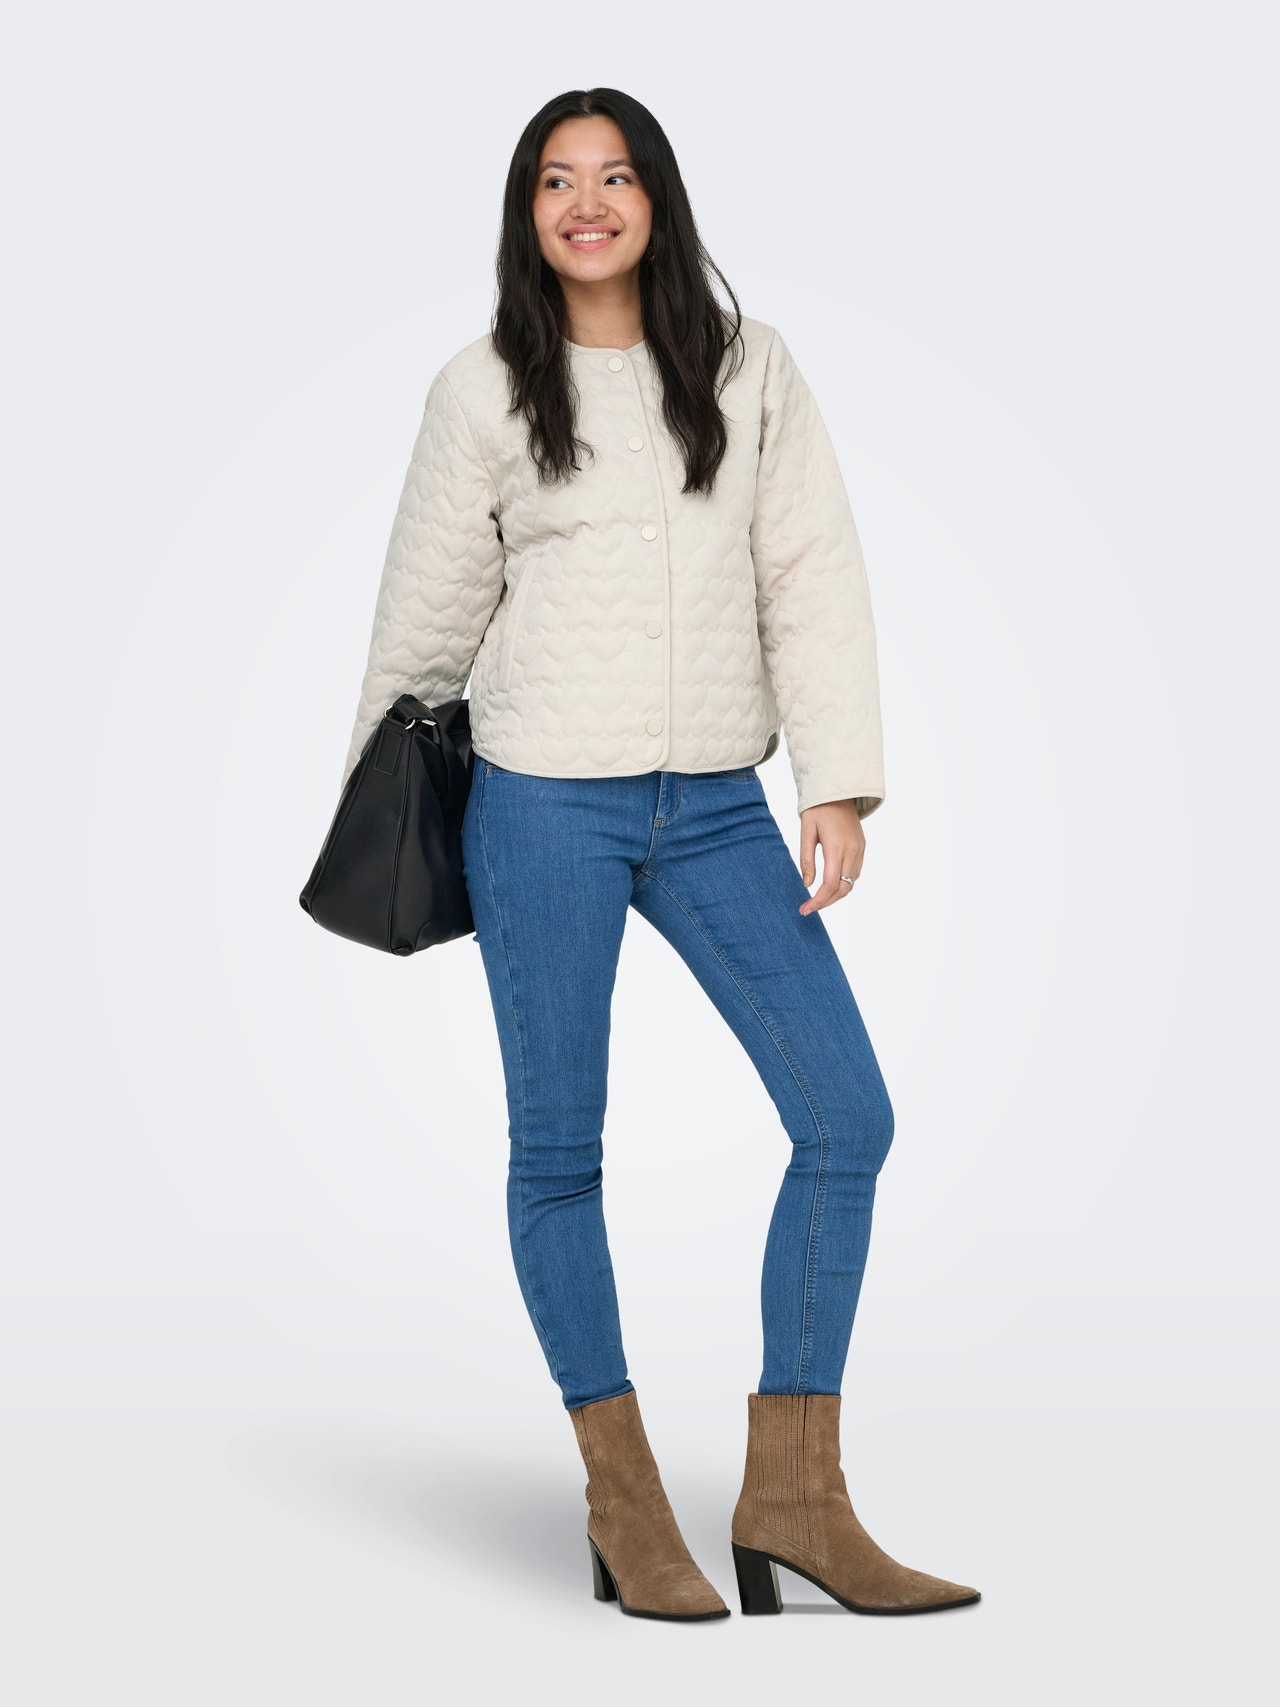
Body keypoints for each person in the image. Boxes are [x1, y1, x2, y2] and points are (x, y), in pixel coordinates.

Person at [340, 87, 980, 1623]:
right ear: (528, 212)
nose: (588, 204)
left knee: (848, 1117)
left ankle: (795, 1497)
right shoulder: (484, 388)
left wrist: (839, 784)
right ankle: (623, 1502)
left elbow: (808, 570)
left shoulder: (749, 368)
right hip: (538, 808)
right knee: (560, 1154)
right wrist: (378, 824)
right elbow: (426, 615)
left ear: (656, 199)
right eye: (557, 180)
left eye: (615, 175)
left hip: (715, 809)